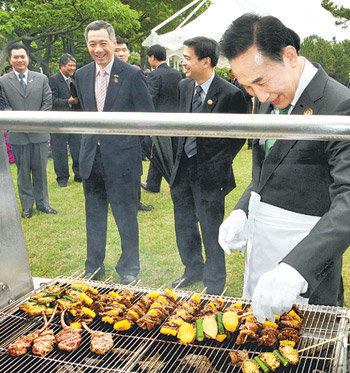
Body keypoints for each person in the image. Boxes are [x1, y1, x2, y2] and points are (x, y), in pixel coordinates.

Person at [219, 13, 350, 322]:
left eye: (261, 82)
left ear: (289, 56)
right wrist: (243, 210)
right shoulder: (268, 97)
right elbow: (269, 165)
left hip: (309, 260)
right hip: (263, 246)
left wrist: (297, 267)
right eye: (249, 88)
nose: (260, 96)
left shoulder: (339, 104)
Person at [75, 20, 154, 283]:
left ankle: (129, 269)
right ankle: (93, 268)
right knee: (94, 219)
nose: (98, 49)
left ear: (113, 42)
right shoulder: (82, 74)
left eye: (103, 43)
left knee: (126, 219)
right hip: (92, 161)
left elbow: (147, 117)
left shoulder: (131, 74)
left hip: (122, 162)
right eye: (92, 44)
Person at [170, 36, 247, 295]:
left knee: (211, 228)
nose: (183, 63)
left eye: (187, 58)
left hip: (211, 176)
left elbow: (238, 138)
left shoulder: (231, 94)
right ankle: (192, 269)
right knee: (184, 225)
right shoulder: (184, 86)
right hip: (182, 172)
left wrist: (216, 164)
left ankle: (214, 282)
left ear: (206, 61)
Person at [0, 43, 57, 219]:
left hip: (39, 133)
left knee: (40, 171)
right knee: (23, 172)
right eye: (15, 57)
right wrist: (19, 122)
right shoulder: (2, 82)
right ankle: (27, 207)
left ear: (28, 58)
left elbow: (47, 102)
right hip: (17, 135)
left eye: (22, 56)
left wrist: (35, 122)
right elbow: (4, 105)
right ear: (10, 59)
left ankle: (43, 204)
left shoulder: (41, 78)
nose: (19, 60)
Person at [114, 37, 154, 211]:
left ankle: (135, 202)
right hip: (110, 134)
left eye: (124, 50)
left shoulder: (135, 73)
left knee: (134, 170)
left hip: (132, 133)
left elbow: (146, 107)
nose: (121, 53)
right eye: (117, 50)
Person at [142, 44, 183, 193]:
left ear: (152, 57)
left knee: (158, 152)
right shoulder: (177, 73)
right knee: (173, 152)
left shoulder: (154, 75)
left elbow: (150, 99)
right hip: (176, 119)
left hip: (160, 121)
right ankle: (153, 184)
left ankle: (157, 184)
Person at [49, 53, 82, 187]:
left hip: (75, 121)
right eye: (70, 65)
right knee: (60, 152)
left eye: (74, 65)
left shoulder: (76, 79)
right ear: (62, 66)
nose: (73, 68)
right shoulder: (53, 80)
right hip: (59, 122)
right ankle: (62, 178)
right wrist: (68, 102)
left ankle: (79, 175)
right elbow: (52, 101)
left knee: (78, 149)